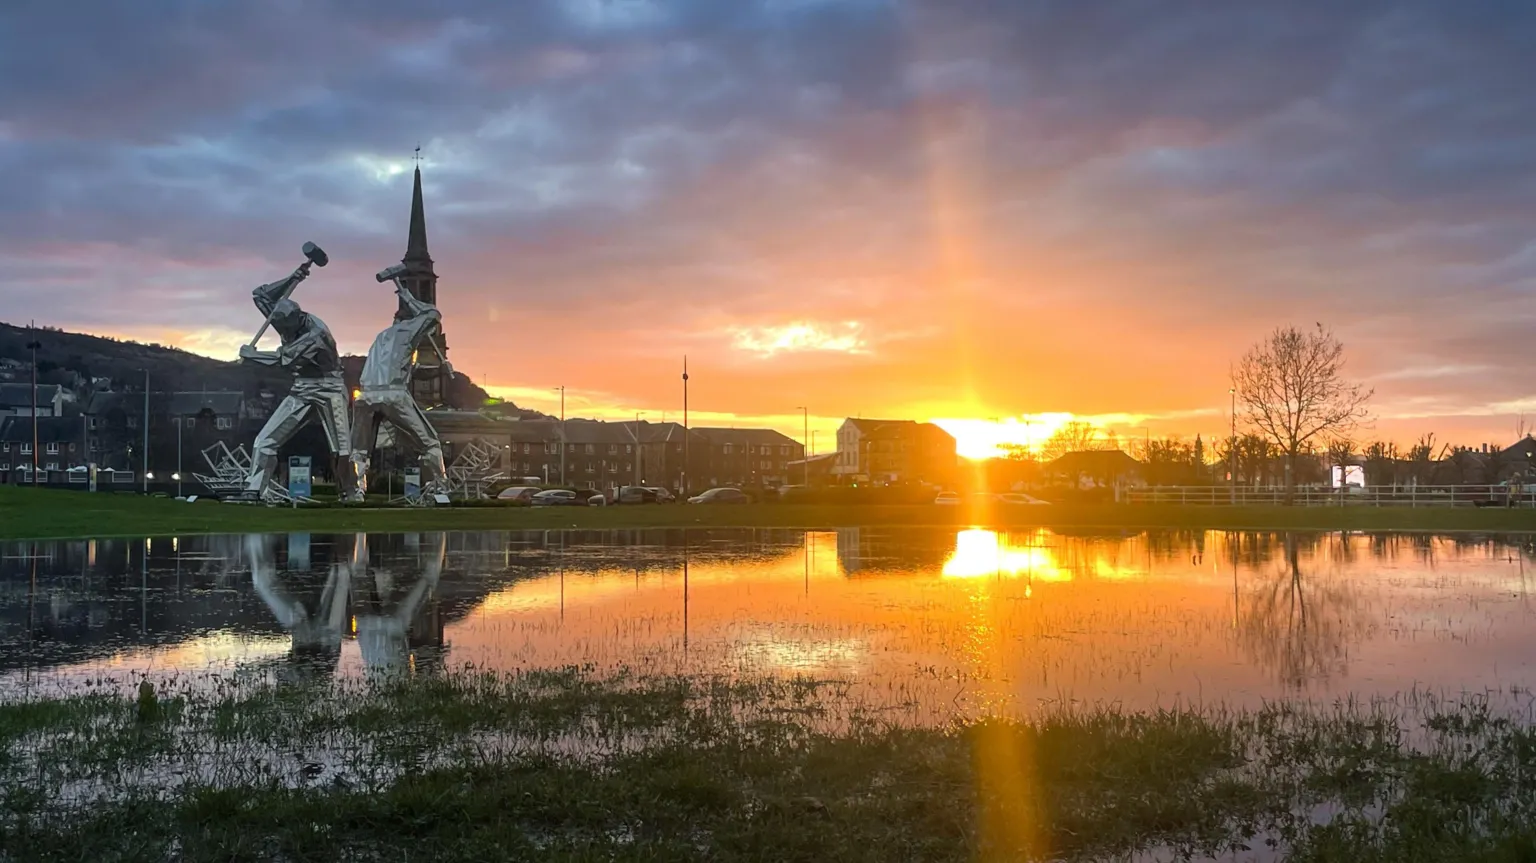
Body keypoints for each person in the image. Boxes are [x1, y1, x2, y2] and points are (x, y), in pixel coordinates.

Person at [238, 267, 351, 500]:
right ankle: (254, 489)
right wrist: (291, 278)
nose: (283, 331)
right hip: (301, 388)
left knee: (342, 448)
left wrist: (252, 356)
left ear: (297, 319)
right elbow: (260, 295)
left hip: (329, 388)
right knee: (265, 440)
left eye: (286, 328)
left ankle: (351, 492)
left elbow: (285, 359)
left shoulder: (316, 334)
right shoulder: (283, 318)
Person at [347, 275, 449, 500]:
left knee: (359, 449)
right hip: (393, 395)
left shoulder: (382, 337)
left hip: (365, 396)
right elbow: (433, 314)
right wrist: (409, 298)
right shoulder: (409, 331)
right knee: (430, 442)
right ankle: (439, 491)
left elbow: (408, 371)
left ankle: (355, 492)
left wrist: (439, 369)